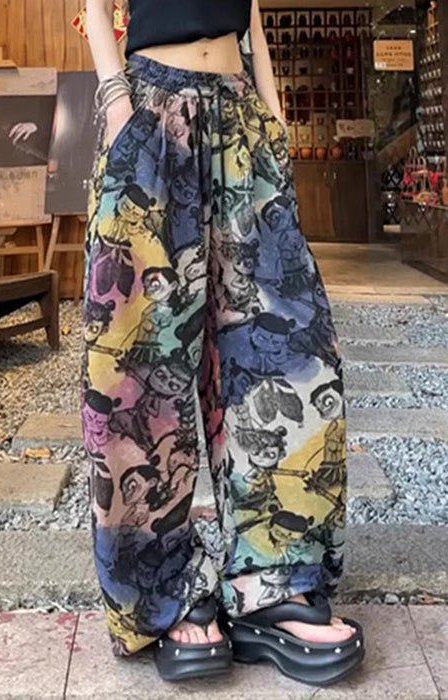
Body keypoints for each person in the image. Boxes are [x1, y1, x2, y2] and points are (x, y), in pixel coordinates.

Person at [82, 0, 365, 685]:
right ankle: (164, 592)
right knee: (140, 371)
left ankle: (276, 582)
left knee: (287, 349)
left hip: (241, 120)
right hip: (150, 115)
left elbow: (254, 14)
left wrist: (272, 112)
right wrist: (118, 108)